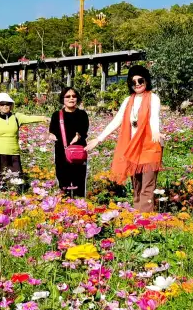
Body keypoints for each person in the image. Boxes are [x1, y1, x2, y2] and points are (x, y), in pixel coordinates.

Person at [86, 65, 163, 212]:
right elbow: (117, 121)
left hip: (149, 146)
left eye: (140, 80)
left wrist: (156, 131)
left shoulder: (153, 98)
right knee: (136, 186)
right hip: (133, 148)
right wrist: (98, 139)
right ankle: (137, 219)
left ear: (146, 80)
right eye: (133, 82)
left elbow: (154, 117)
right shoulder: (128, 100)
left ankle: (145, 221)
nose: (137, 84)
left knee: (147, 186)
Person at [0, 92, 49, 182]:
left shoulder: (17, 117)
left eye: (7, 104)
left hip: (13, 153)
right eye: (2, 104)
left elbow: (29, 118)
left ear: (11, 106)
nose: (5, 106)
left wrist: (43, 118)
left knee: (16, 180)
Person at [49, 87, 89, 198]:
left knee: (79, 184)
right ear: (63, 99)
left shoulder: (82, 114)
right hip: (62, 154)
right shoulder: (56, 115)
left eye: (74, 96)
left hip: (78, 154)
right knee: (63, 185)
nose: (71, 98)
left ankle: (80, 208)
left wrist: (78, 136)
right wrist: (51, 135)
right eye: (68, 96)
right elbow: (52, 131)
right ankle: (65, 210)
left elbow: (84, 131)